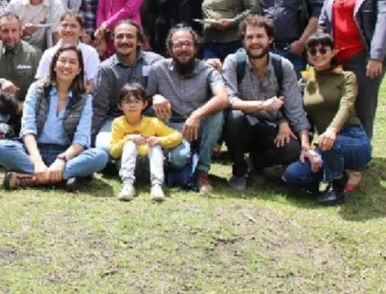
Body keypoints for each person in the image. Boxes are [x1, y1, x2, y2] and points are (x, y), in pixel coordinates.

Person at [0, 46, 108, 191]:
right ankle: (63, 178)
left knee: (100, 156)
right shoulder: (37, 89)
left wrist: (62, 159)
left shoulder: (85, 99)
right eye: (63, 61)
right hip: (34, 149)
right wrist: (36, 160)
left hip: (66, 153)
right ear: (54, 65)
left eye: (72, 62)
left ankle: (31, 179)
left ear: (79, 69)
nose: (66, 66)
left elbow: (81, 139)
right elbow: (28, 128)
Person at [222, 15, 309, 190]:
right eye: (249, 37)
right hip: (242, 127)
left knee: (293, 149)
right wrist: (263, 105)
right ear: (243, 41)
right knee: (234, 117)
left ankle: (257, 163)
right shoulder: (233, 62)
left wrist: (305, 145)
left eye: (260, 36)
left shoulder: (283, 66)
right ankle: (239, 171)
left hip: (271, 126)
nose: (255, 42)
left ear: (270, 38)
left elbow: (295, 109)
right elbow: (229, 100)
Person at [282, 33, 371, 204]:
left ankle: (336, 187)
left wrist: (332, 130)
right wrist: (306, 147)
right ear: (307, 55)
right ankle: (335, 174)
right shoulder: (306, 79)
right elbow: (295, 110)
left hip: (353, 140)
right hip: (325, 144)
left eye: (323, 50)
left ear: (334, 52)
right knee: (291, 175)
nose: (318, 55)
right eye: (313, 51)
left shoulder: (347, 77)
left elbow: (346, 104)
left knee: (333, 143)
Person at [146, 25, 228, 193]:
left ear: (196, 47)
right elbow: (145, 98)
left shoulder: (208, 71)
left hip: (200, 125)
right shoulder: (158, 69)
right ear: (170, 49)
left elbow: (223, 98)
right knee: (179, 160)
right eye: (178, 45)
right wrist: (155, 97)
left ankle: (202, 172)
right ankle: (185, 163)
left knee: (216, 114)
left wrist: (197, 115)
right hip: (172, 126)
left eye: (188, 44)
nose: (183, 49)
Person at [318, 0, 385, 139]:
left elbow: (384, 19)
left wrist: (376, 57)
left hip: (363, 59)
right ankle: (339, 151)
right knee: (334, 106)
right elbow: (323, 20)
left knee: (363, 107)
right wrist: (320, 52)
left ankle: (360, 158)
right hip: (336, 59)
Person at [92, 20, 163, 154]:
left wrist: (160, 96)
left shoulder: (156, 62)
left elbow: (174, 78)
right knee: (104, 148)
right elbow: (99, 108)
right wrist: (90, 141)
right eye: (120, 36)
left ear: (139, 41)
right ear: (113, 41)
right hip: (117, 119)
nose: (124, 40)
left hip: (148, 118)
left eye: (130, 36)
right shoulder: (105, 69)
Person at [111, 83, 184, 202]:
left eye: (136, 101)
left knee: (155, 146)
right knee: (130, 144)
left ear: (144, 104)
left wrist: (159, 140)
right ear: (120, 105)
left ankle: (156, 185)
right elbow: (114, 152)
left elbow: (178, 136)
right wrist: (128, 139)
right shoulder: (118, 123)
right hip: (129, 165)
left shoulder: (152, 122)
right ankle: (127, 185)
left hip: (151, 164)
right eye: (127, 101)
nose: (132, 105)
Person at [35, 11, 100, 91]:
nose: (68, 30)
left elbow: (92, 83)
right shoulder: (49, 54)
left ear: (81, 32)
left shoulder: (90, 53)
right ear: (59, 29)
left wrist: (78, 100)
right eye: (64, 25)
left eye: (73, 26)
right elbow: (40, 82)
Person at [0, 13, 42, 103]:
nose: (10, 36)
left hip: (24, 108)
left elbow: (40, 88)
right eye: (5, 31)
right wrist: (1, 82)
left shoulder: (34, 54)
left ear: (20, 31)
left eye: (14, 31)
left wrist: (24, 107)